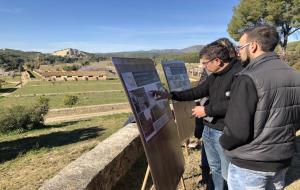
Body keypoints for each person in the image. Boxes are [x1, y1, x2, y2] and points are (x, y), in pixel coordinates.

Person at [153, 38, 243, 190]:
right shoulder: (215, 75)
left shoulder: (240, 74)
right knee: (215, 168)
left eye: (205, 63)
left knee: (229, 172)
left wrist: (206, 110)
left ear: (217, 61)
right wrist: (171, 95)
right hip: (209, 129)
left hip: (225, 132)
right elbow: (197, 91)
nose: (203, 66)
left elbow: (237, 104)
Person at [220, 25, 300, 190]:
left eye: (240, 47)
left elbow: (237, 131)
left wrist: (223, 142)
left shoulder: (247, 77)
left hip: (249, 165)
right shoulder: (295, 75)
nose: (238, 52)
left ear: (253, 46)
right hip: (281, 161)